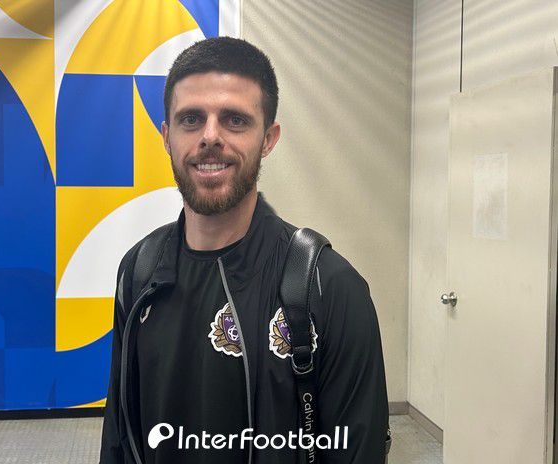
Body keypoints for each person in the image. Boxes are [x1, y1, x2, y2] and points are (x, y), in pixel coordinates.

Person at [99, 37, 389, 464]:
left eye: (234, 120)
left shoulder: (328, 287)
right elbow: (120, 438)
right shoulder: (138, 273)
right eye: (191, 119)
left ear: (268, 139)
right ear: (166, 136)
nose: (210, 137)